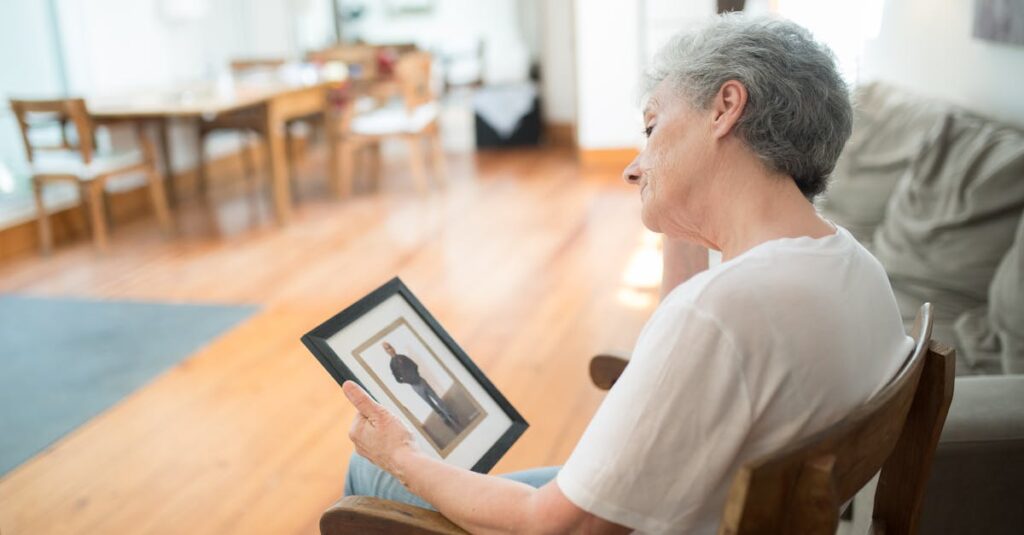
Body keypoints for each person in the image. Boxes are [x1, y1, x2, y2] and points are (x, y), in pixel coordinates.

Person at [341, 14, 913, 534]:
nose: (633, 166)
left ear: (725, 107)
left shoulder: (719, 314)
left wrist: (402, 458)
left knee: (371, 474)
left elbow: (553, 526)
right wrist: (680, 210)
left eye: (651, 127)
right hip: (704, 507)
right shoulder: (854, 269)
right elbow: (707, 335)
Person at [382, 341, 460, 431]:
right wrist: (408, 380)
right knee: (429, 402)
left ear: (393, 347)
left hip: (421, 381)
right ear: (386, 352)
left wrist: (415, 375)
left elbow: (414, 365)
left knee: (436, 398)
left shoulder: (403, 357)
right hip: (415, 387)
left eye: (390, 347)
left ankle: (450, 414)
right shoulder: (392, 364)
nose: (390, 349)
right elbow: (397, 379)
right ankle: (444, 417)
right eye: (387, 348)